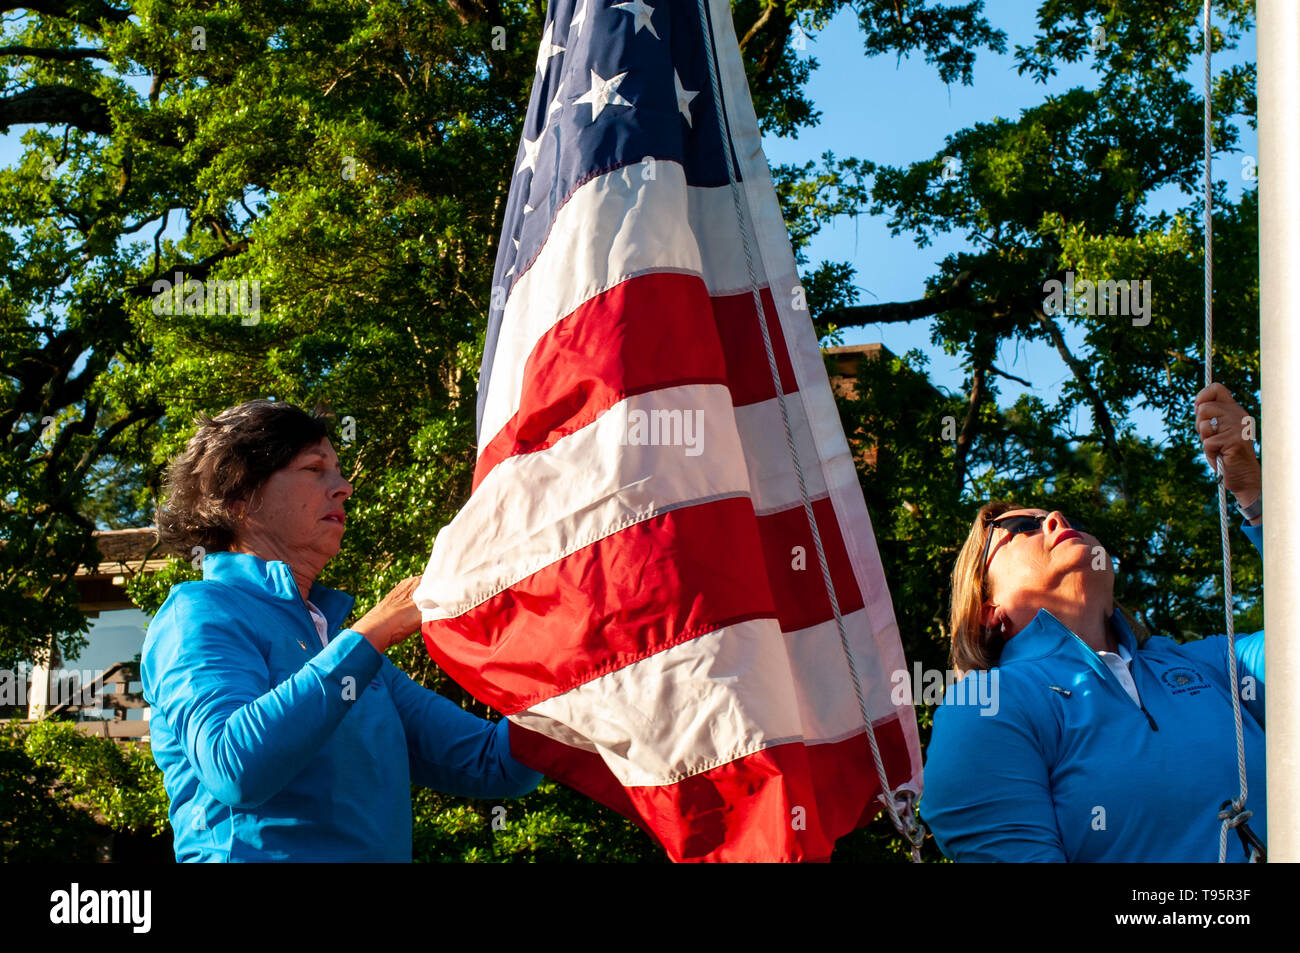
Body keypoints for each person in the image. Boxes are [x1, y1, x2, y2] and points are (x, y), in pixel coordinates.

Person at [142, 399, 542, 861]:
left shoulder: (343, 648)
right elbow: (234, 767)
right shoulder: (198, 612)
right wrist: (373, 631)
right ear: (241, 498)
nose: (345, 487)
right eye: (315, 468)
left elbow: (495, 764)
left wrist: (574, 668)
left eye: (338, 470)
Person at [921, 383, 1265, 861]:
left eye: (1058, 515)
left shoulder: (1208, 664)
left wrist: (1256, 492)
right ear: (988, 610)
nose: (1057, 518)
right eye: (1022, 528)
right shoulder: (985, 707)